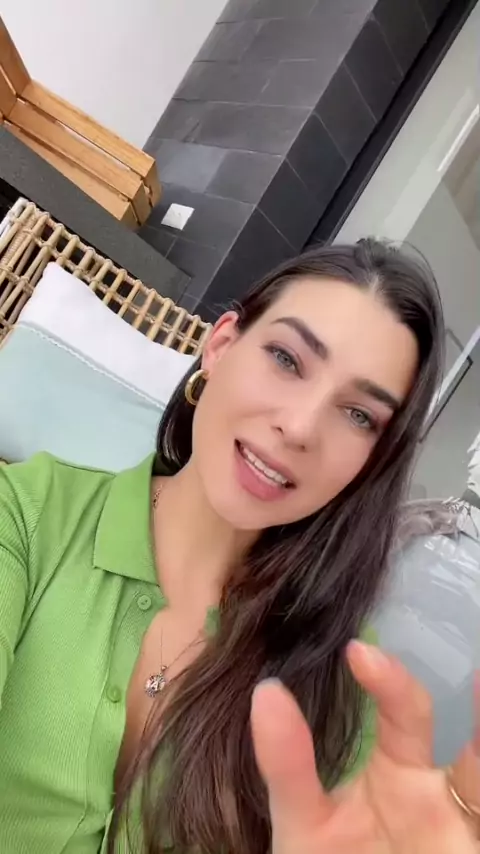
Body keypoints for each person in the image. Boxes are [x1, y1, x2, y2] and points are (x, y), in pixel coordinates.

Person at [0, 239, 477, 854]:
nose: (299, 427)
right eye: (286, 358)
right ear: (221, 345)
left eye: (359, 415)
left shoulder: (343, 683)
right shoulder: (26, 515)